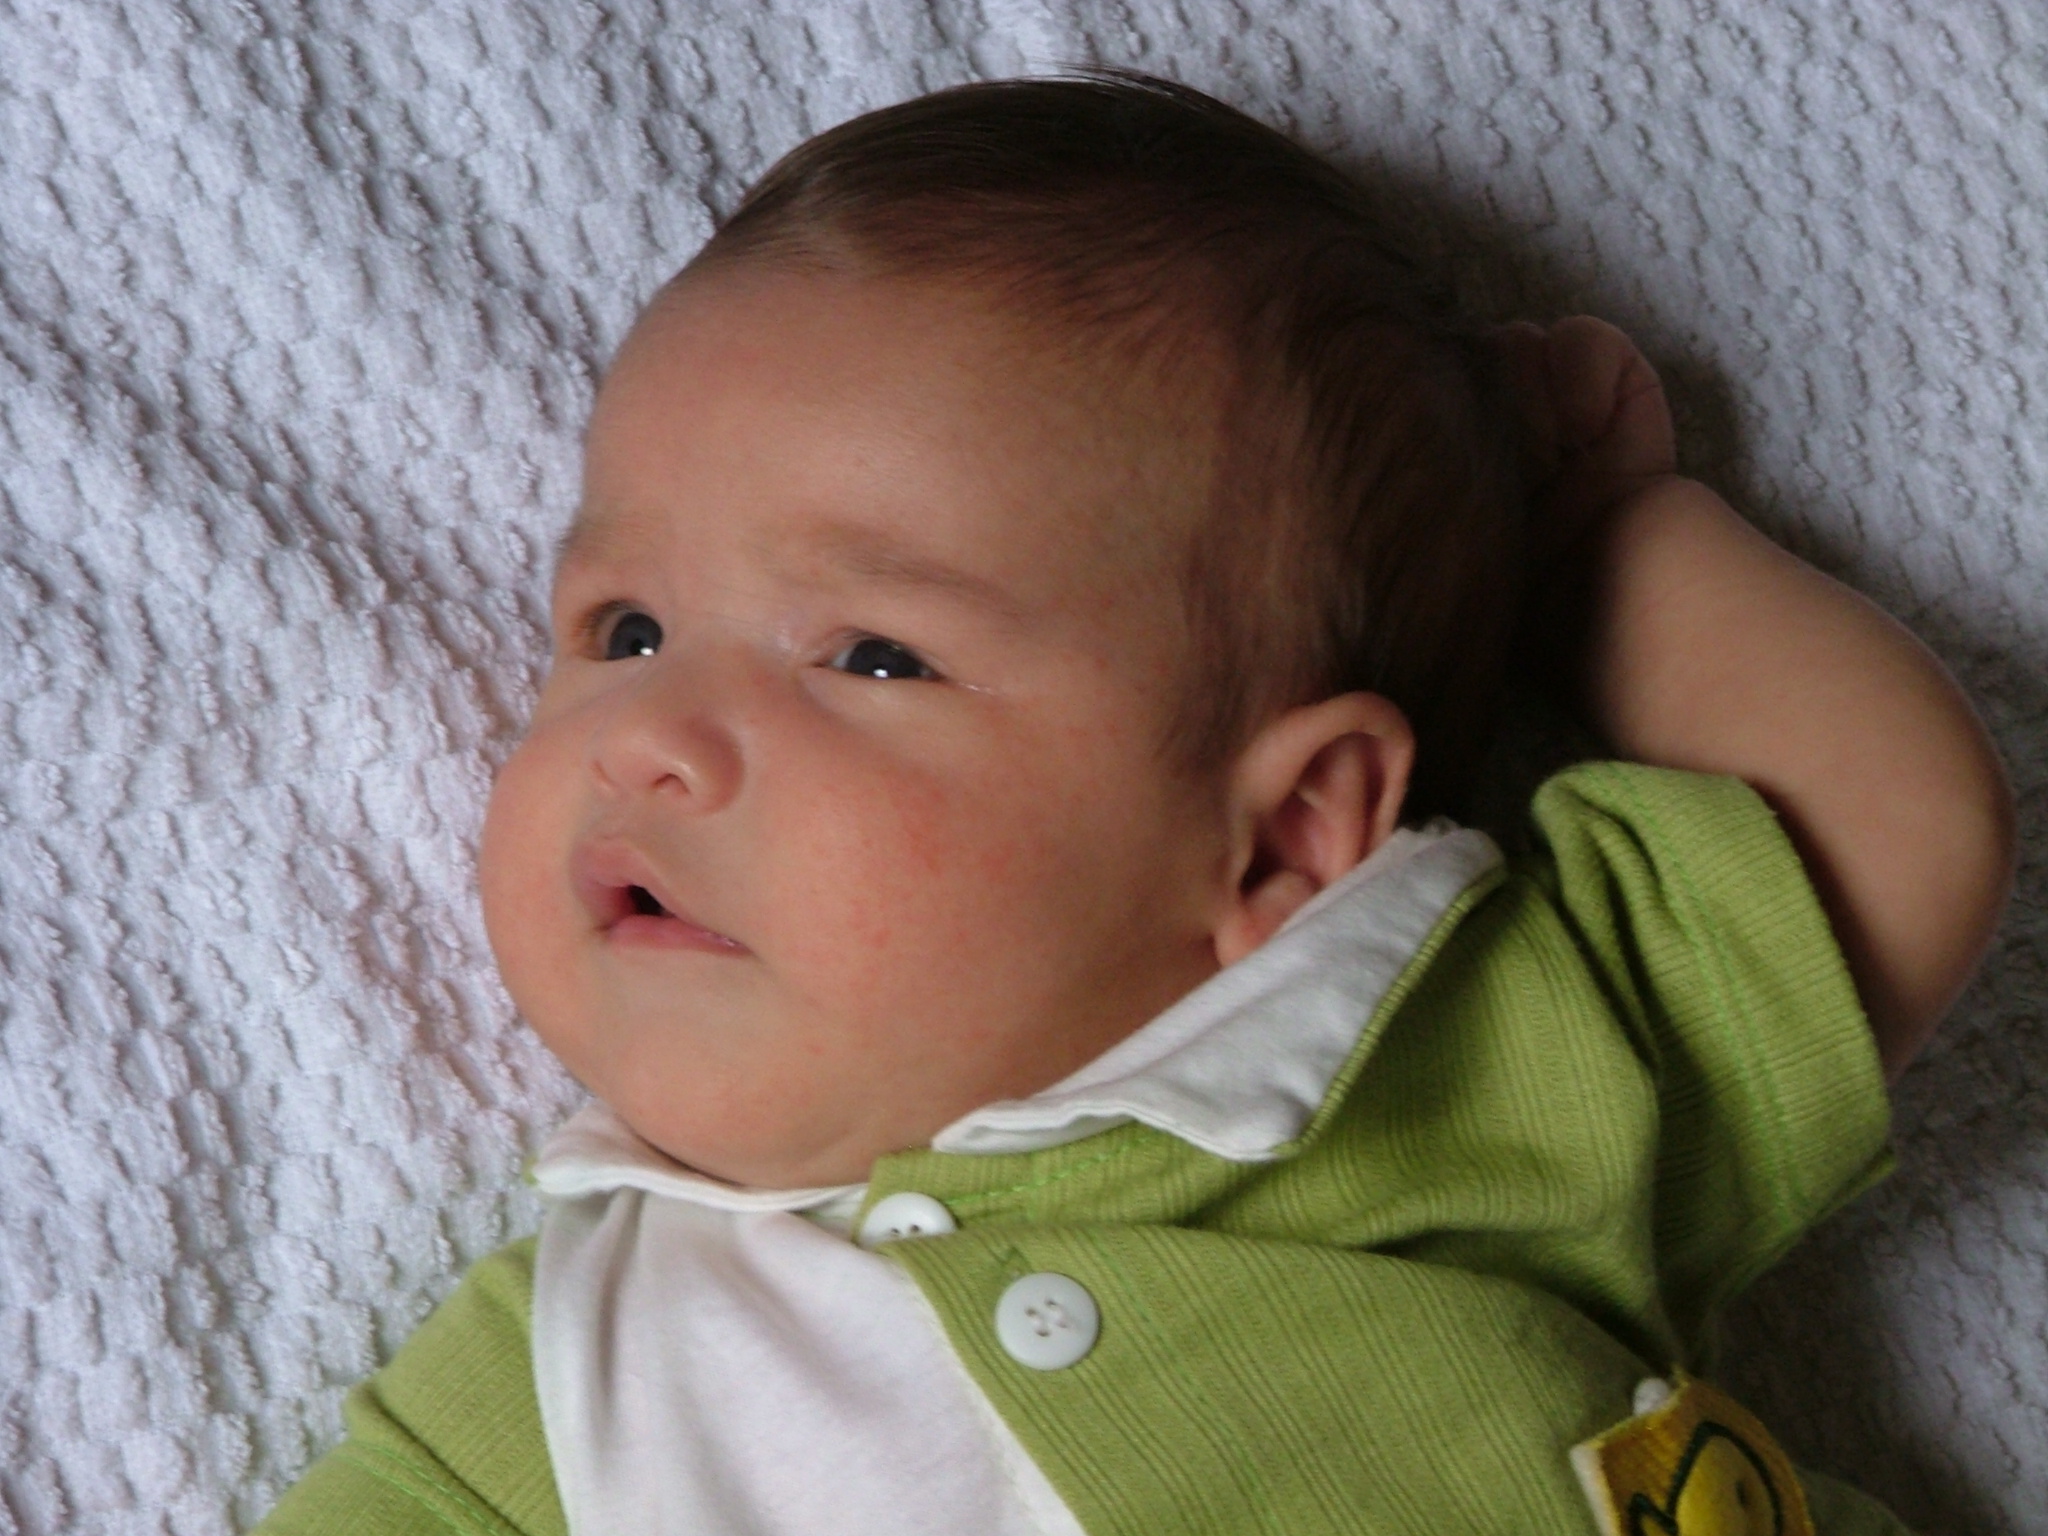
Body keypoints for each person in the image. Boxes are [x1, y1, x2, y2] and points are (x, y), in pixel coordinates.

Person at [257, 72, 2014, 1535]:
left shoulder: (1440, 1049)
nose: (651, 735)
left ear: (1282, 836)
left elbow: (1880, 831)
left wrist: (1599, 538)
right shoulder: (568, 1374)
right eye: (623, 627)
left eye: (870, 655)